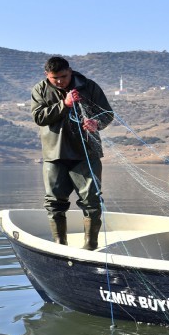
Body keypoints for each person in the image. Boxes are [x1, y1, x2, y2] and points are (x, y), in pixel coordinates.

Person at [31, 56, 114, 250]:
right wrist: (65, 104)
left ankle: (90, 245)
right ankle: (60, 244)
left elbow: (107, 114)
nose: (60, 81)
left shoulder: (90, 86)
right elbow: (39, 117)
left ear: (70, 71)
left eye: (63, 76)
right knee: (54, 201)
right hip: (55, 153)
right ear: (46, 75)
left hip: (87, 153)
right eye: (55, 78)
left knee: (92, 200)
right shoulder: (40, 89)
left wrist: (96, 123)